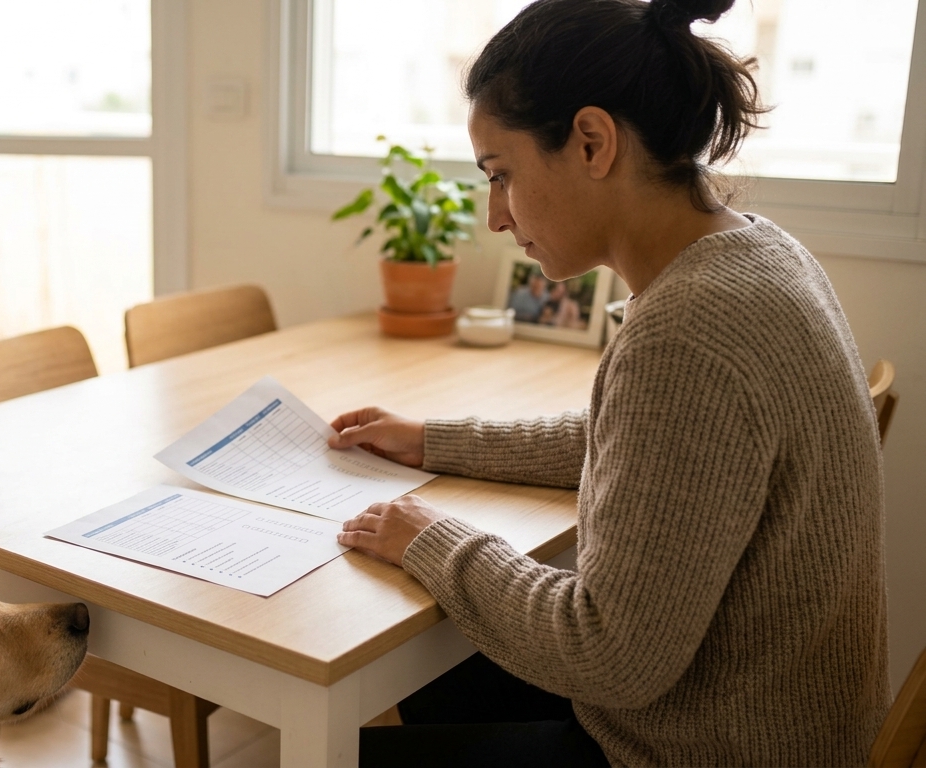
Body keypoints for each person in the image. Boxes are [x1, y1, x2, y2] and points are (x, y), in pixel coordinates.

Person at [330, 0, 889, 765]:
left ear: (592, 141)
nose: (494, 215)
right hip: (770, 714)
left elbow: (609, 656)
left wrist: (436, 539)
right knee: (441, 664)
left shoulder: (692, 329)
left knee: (376, 722)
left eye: (502, 175)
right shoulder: (761, 254)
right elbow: (640, 446)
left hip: (709, 746)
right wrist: (430, 440)